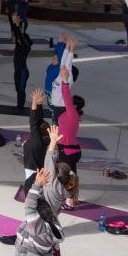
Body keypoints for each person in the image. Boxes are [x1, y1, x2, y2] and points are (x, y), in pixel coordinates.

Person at [0, 168, 63, 256]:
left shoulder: (38, 227)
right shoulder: (48, 221)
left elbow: (29, 205)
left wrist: (37, 184)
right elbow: (21, 238)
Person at [55, 65, 84, 207]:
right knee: (70, 176)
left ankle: (69, 201)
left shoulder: (72, 113)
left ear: (74, 105)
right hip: (70, 149)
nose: (68, 101)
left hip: (67, 151)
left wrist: (65, 79)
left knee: (66, 177)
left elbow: (65, 95)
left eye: (71, 101)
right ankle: (71, 201)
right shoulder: (72, 114)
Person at [21, 89, 51, 183]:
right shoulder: (46, 138)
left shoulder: (37, 140)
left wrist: (34, 102)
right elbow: (38, 118)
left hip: (32, 168)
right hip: (38, 166)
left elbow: (33, 120)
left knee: (31, 186)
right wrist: (39, 104)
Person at [49, 36, 77, 121]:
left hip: (61, 109)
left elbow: (68, 62)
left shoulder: (67, 79)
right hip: (56, 108)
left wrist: (72, 50)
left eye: (64, 69)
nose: (62, 68)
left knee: (60, 131)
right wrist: (67, 47)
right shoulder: (60, 75)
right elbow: (63, 61)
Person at [10, 12, 32, 112]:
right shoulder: (19, 45)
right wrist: (14, 23)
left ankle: (20, 107)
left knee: (21, 90)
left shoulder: (25, 47)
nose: (14, 38)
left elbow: (20, 35)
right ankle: (19, 105)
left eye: (16, 38)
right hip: (17, 70)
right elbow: (17, 33)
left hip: (23, 72)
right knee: (18, 89)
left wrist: (18, 25)